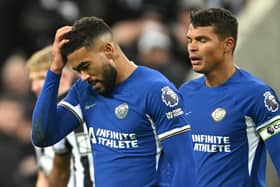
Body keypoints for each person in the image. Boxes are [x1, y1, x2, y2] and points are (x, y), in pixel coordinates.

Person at [31, 16, 195, 187]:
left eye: (86, 66)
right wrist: (55, 70)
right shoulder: (85, 90)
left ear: (109, 49)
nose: (84, 76)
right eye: (78, 70)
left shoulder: (156, 90)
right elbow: (43, 136)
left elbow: (183, 163)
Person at [179, 8, 280, 187]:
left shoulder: (257, 96)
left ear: (228, 44)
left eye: (202, 40)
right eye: (190, 40)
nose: (192, 47)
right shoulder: (186, 92)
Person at [26, 45, 94, 187]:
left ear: (63, 76)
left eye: (40, 78)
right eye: (32, 80)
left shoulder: (85, 108)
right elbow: (43, 174)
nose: (34, 87)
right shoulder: (41, 120)